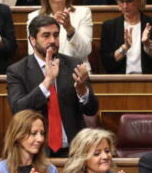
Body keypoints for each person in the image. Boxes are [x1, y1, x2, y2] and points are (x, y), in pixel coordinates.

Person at [7, 15, 99, 157]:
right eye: (46, 36)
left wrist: (82, 91)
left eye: (56, 35)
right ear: (32, 40)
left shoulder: (73, 64)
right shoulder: (18, 71)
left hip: (73, 152)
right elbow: (18, 109)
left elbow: (91, 109)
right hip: (36, 153)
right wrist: (47, 81)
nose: (52, 41)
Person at [25, 0, 92, 63]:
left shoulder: (83, 13)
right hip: (46, 72)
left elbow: (85, 51)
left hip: (77, 72)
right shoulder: (33, 17)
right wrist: (52, 24)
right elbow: (32, 53)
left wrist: (70, 30)